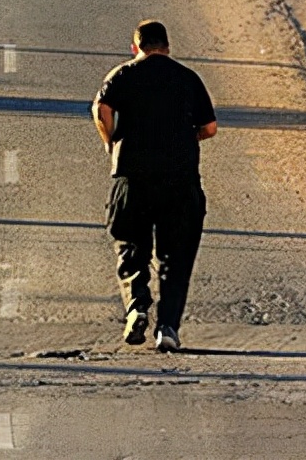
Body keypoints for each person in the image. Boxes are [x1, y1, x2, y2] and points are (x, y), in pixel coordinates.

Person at [91, 20, 217, 352]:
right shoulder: (188, 78)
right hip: (180, 180)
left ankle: (137, 307)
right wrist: (187, 138)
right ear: (167, 46)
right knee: (176, 256)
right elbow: (210, 127)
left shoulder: (122, 74)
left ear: (136, 47)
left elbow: (100, 109)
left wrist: (110, 140)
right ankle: (168, 329)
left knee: (130, 245)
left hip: (132, 177)